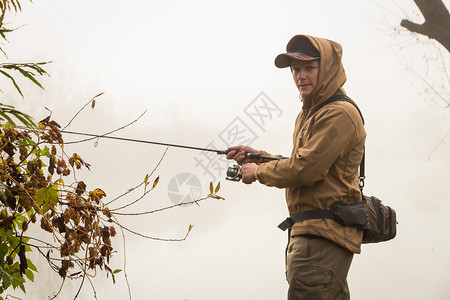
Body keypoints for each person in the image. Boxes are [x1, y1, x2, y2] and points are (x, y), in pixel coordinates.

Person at [225, 35, 366, 299]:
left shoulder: (338, 113)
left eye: (309, 68)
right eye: (296, 70)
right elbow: (304, 162)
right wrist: (260, 157)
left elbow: (307, 169)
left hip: (321, 238)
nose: (300, 76)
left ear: (327, 69)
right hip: (311, 235)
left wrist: (259, 172)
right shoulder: (310, 113)